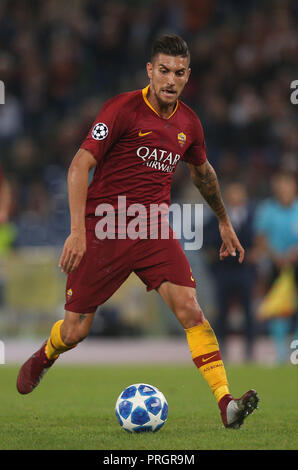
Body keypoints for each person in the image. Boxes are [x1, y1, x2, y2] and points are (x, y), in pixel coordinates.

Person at [17, 35, 259, 428]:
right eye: (163, 70)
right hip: (104, 228)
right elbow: (79, 166)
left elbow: (203, 174)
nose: (170, 79)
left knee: (191, 309)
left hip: (151, 231)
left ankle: (226, 403)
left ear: (187, 76)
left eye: (178, 73)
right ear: (150, 70)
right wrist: (77, 231)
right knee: (77, 330)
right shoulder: (121, 109)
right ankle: (47, 353)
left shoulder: (189, 124)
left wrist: (225, 221)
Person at [204, 182, 257, 360]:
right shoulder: (216, 218)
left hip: (245, 271)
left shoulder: (253, 216)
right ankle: (222, 350)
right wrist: (216, 262)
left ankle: (249, 350)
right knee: (222, 312)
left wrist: (253, 257)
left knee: (249, 311)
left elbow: (259, 239)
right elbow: (207, 243)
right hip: (224, 271)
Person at [254, 171, 298, 362]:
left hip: (295, 263)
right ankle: (281, 353)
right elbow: (260, 239)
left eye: (287, 185)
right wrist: (277, 256)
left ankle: (295, 352)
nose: (284, 189)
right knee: (278, 309)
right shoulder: (267, 209)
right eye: (280, 186)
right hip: (276, 266)